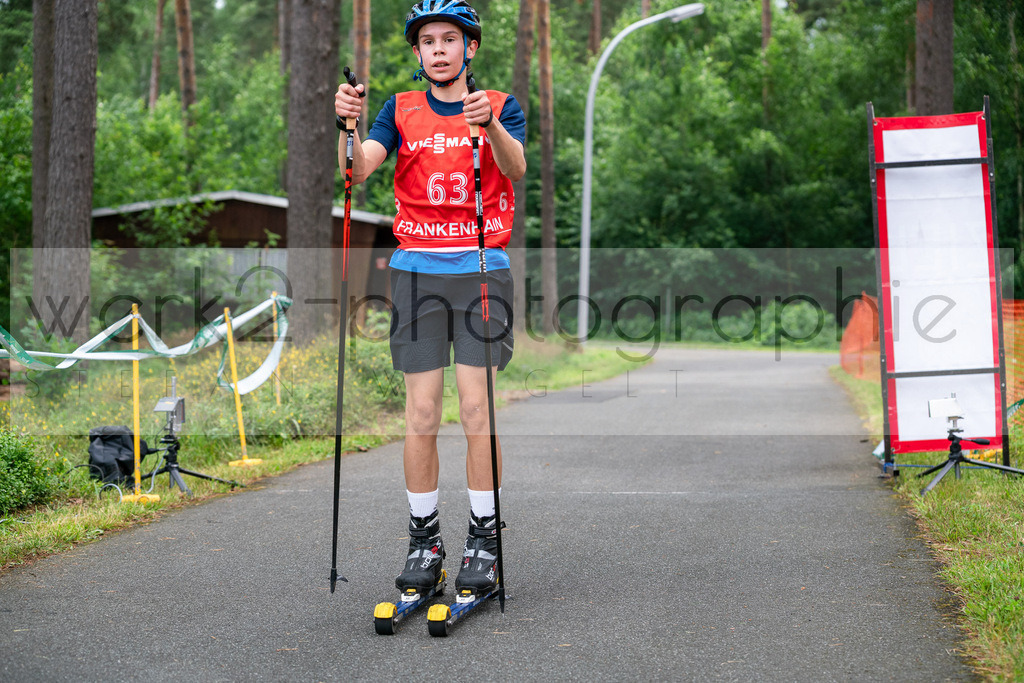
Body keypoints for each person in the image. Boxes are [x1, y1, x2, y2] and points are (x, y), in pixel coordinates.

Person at [334, 0, 526, 598]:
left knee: (475, 411)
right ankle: (425, 541)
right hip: (416, 274)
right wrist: (348, 127)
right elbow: (357, 170)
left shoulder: (501, 105)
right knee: (420, 414)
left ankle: (484, 542)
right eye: (428, 41)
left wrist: (487, 123)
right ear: (417, 54)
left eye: (450, 39)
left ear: (470, 48)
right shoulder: (400, 109)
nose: (439, 48)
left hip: (479, 271)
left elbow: (516, 168)